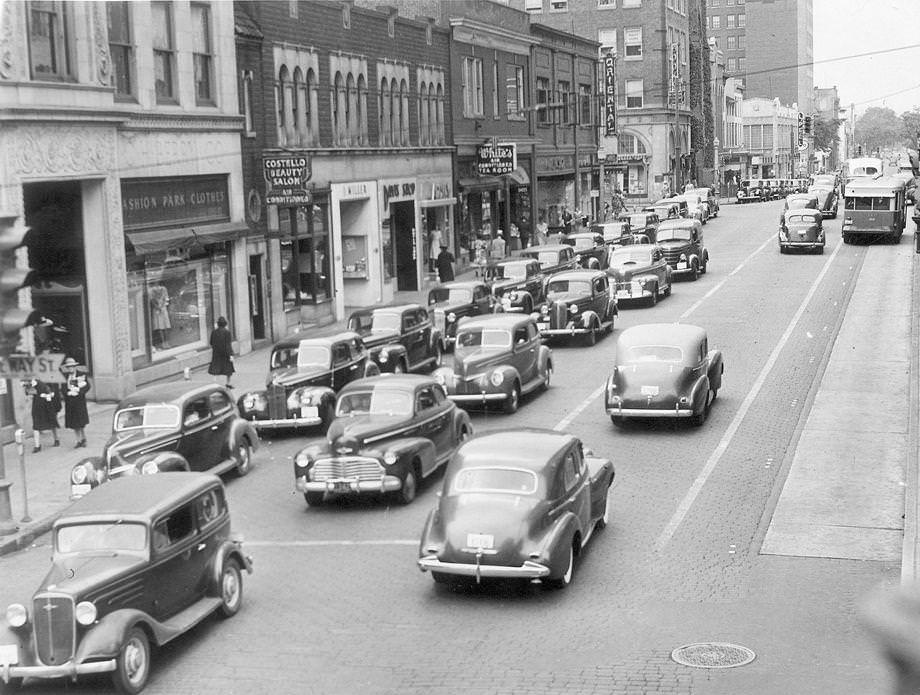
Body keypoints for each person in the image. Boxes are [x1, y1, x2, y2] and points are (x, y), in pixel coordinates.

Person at [61, 357, 90, 448]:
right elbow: (63, 388)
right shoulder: (65, 377)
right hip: (70, 402)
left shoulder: (81, 375)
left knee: (81, 422)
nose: (71, 369)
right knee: (74, 423)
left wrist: (79, 390)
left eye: (72, 367)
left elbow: (88, 386)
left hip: (79, 401)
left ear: (75, 367)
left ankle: (83, 438)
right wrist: (67, 392)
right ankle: (78, 440)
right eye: (69, 367)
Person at [26, 379, 60, 453]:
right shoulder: (31, 379)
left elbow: (54, 389)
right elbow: (28, 391)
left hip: (47, 404)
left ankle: (56, 439)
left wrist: (50, 394)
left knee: (52, 422)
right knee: (36, 424)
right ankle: (37, 445)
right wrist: (31, 389)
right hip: (37, 404)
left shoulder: (48, 377)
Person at [208, 316, 235, 388]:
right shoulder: (227, 332)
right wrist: (231, 355)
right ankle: (228, 383)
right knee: (228, 369)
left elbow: (211, 342)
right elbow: (228, 344)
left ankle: (214, 383)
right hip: (226, 353)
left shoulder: (214, 332)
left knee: (215, 369)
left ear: (218, 324)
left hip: (216, 353)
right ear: (225, 324)